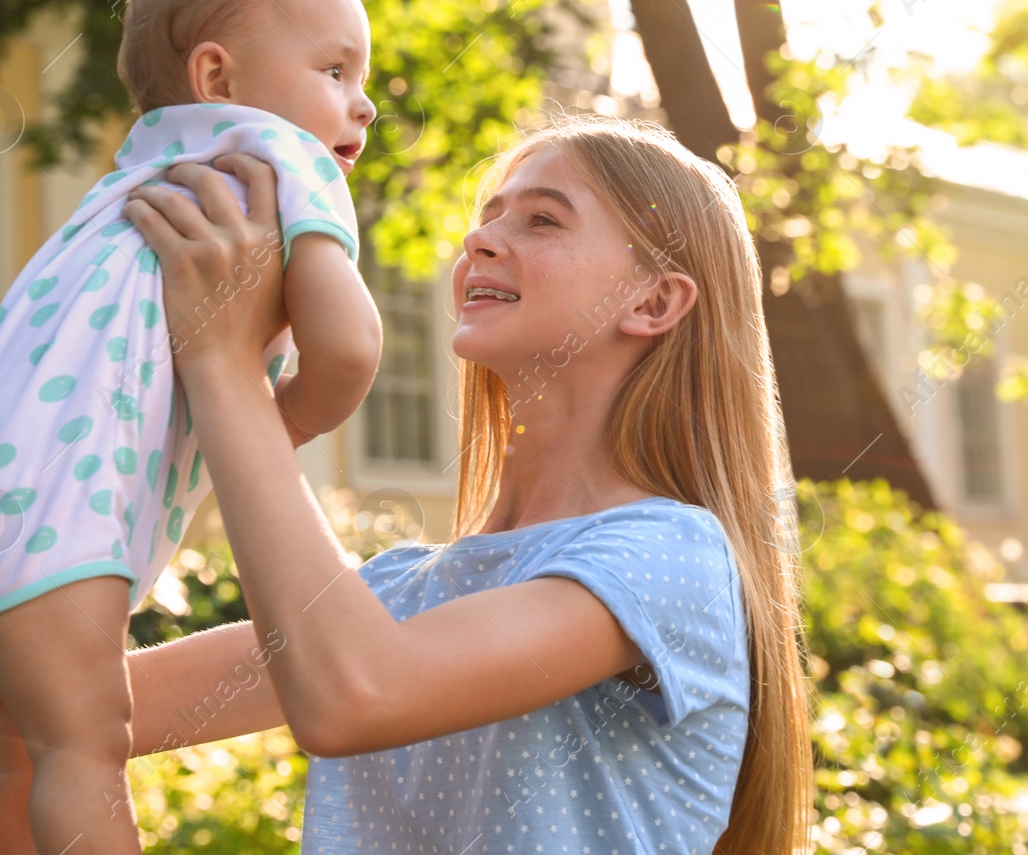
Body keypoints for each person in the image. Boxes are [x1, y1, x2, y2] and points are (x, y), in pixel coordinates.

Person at [121, 115, 817, 854]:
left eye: (543, 219)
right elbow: (61, 704)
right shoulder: (394, 598)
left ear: (653, 302)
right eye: (489, 217)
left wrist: (226, 364)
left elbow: (354, 694)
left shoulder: (670, 556)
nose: (478, 240)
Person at [0, 0, 384, 854]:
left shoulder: (135, 175)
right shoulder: (278, 160)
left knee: (5, 758)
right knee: (86, 751)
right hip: (51, 519)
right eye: (335, 71)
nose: (359, 108)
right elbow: (351, 347)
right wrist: (278, 428)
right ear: (219, 78)